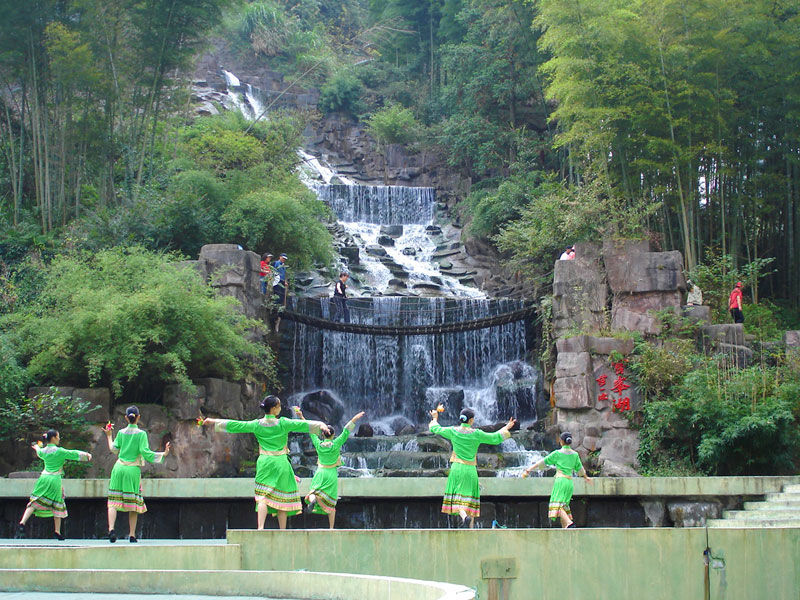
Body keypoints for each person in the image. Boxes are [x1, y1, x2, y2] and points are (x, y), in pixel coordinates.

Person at [201, 395, 331, 530]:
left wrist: (213, 421)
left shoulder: (257, 424)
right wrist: (321, 425)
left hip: (265, 462)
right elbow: (302, 425)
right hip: (281, 462)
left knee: (262, 496)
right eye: (278, 406)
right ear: (274, 409)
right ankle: (282, 530)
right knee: (282, 497)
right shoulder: (283, 423)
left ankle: (261, 527)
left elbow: (237, 425)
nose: (280, 408)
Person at [428, 406, 517, 528]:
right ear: (470, 420)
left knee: (457, 497)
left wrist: (435, 417)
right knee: (469, 499)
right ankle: (470, 528)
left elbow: (435, 428)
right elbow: (494, 438)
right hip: (471, 470)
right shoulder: (476, 434)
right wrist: (507, 427)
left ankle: (464, 517)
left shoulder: (453, 431)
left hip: (457, 468)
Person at [105, 406, 171, 543]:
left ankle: (111, 529)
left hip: (118, 467)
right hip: (132, 469)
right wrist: (163, 455)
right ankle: (132, 534)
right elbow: (146, 453)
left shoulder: (121, 433)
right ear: (138, 417)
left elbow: (113, 449)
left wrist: (109, 435)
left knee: (113, 501)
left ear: (126, 418)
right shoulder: (141, 434)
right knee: (133, 502)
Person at [296, 408, 365, 529]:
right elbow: (346, 431)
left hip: (320, 472)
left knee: (313, 493)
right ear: (333, 435)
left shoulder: (318, 444)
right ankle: (331, 528)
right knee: (331, 504)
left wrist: (301, 416)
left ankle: (313, 500)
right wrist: (355, 418)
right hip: (331, 474)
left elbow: (310, 429)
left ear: (323, 435)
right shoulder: (336, 444)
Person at [16, 430, 92, 540]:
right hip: (55, 479)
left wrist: (36, 447)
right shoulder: (59, 451)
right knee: (57, 503)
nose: (59, 439)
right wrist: (86, 455)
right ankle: (57, 531)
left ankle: (22, 522)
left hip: (43, 478)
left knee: (35, 501)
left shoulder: (43, 451)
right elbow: (73, 453)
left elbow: (39, 451)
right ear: (53, 438)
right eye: (58, 436)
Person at [522, 431, 592, 528]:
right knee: (564, 506)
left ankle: (569, 523)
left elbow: (542, 462)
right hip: (569, 483)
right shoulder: (575, 455)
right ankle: (565, 528)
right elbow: (580, 470)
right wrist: (586, 477)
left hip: (560, 481)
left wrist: (528, 470)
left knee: (557, 505)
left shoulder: (557, 454)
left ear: (561, 441)